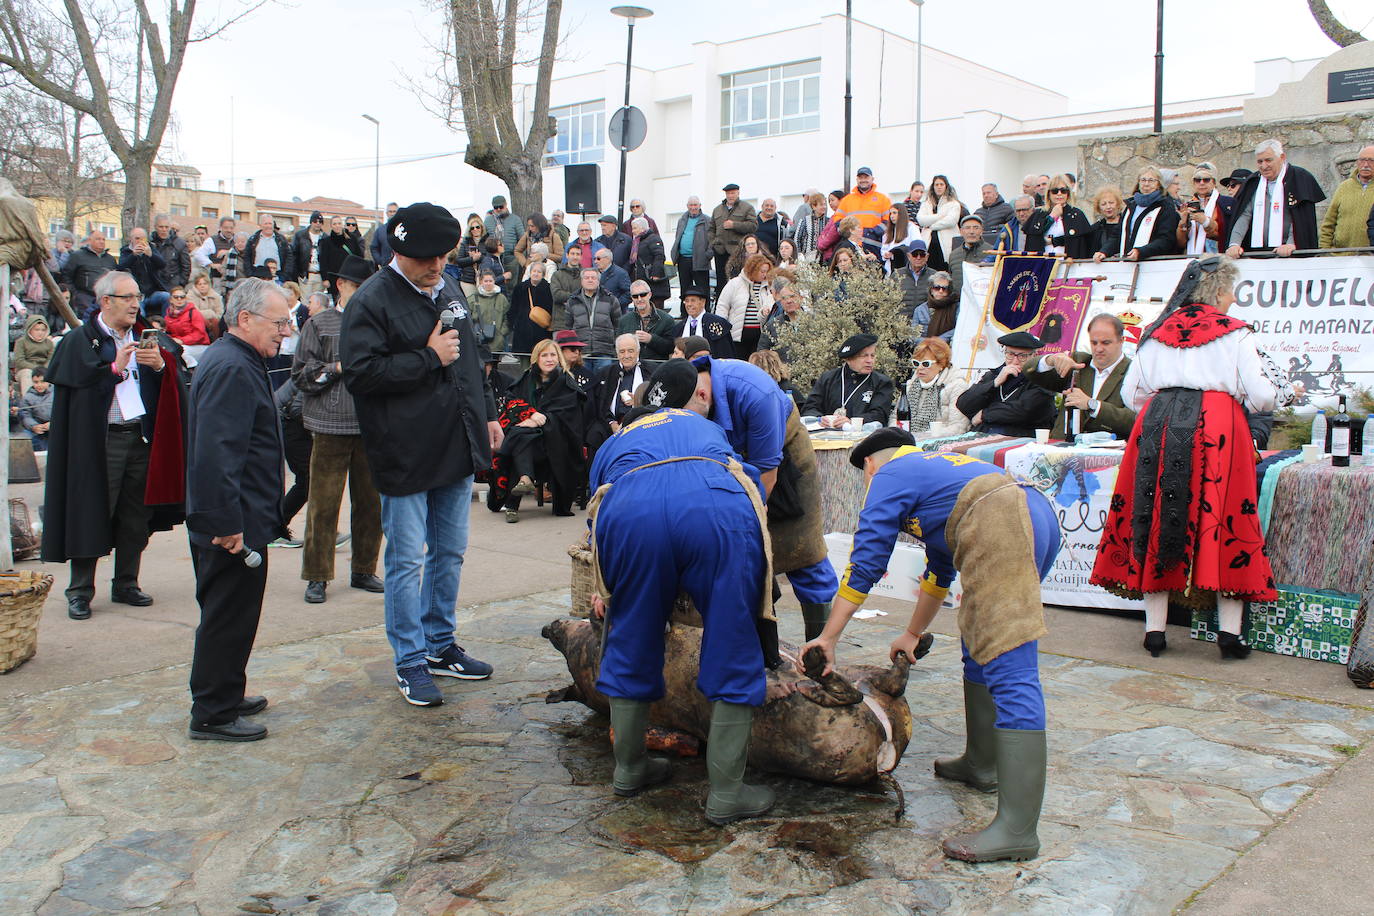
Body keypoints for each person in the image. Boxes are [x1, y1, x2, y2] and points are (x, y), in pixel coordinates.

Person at [801, 427, 1061, 863]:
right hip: (1030, 513)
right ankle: (981, 764)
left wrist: (829, 637)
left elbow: (866, 560)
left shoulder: (889, 474)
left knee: (1010, 663)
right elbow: (940, 569)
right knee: (981, 643)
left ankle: (1018, 828)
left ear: (869, 464)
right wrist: (911, 632)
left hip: (1000, 522)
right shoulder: (934, 472)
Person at [588, 367, 775, 824]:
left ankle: (630, 770)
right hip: (715, 505)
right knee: (732, 636)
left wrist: (609, 588)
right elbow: (747, 480)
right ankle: (726, 794)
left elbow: (595, 504)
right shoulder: (705, 426)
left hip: (630, 510)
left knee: (631, 633)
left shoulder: (620, 438)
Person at [1091, 257, 1300, 659]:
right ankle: (1230, 634)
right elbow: (1263, 397)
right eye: (1231, 291)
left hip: (1158, 425)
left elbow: (1132, 395)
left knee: (1155, 516)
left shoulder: (1155, 333)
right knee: (1224, 519)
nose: (1234, 299)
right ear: (1220, 293)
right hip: (1217, 429)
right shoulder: (1235, 333)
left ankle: (1155, 632)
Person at [340, 201, 500, 707]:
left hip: (454, 440)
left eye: (443, 257)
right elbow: (361, 375)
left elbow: (470, 358)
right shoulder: (371, 301)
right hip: (404, 449)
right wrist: (426, 358)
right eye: (426, 259)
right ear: (399, 251)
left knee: (449, 552)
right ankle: (409, 660)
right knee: (407, 560)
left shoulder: (447, 285)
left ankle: (439, 644)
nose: (436, 267)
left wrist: (489, 414)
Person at [42, 270, 188, 621]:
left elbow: (176, 382)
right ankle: (80, 590)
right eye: (128, 298)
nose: (136, 304)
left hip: (139, 438)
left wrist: (160, 368)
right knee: (91, 512)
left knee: (135, 517)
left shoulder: (146, 339)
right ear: (106, 301)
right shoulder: (80, 340)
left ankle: (126, 583)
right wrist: (113, 369)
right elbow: (77, 391)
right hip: (100, 442)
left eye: (138, 297)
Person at [185, 279, 293, 742]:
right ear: (245, 319)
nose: (286, 332)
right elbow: (217, 454)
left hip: (243, 518)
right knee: (227, 614)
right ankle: (213, 711)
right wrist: (226, 524)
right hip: (231, 525)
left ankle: (226, 690)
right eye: (279, 322)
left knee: (236, 612)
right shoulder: (232, 366)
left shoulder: (238, 360)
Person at [677, 355, 837, 644]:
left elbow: (767, 473)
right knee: (748, 560)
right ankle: (760, 647)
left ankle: (820, 647)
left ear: (703, 394)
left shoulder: (755, 392)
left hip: (783, 463)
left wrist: (749, 522)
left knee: (805, 556)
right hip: (733, 463)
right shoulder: (688, 387)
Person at [292, 254, 384, 605]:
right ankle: (317, 575)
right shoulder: (320, 323)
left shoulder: (378, 325)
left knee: (371, 504)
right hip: (329, 426)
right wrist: (338, 368)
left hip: (369, 424)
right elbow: (301, 374)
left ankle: (364, 569)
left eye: (366, 287)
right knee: (323, 505)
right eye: (357, 286)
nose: (362, 293)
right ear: (341, 285)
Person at [487, 338, 587, 522]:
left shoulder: (566, 383)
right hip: (530, 441)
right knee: (523, 438)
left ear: (559, 358)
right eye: (544, 355)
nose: (549, 359)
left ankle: (513, 504)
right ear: (536, 358)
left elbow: (570, 418)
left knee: (518, 437)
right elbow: (511, 402)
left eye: (553, 355)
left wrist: (544, 420)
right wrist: (531, 414)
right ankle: (525, 479)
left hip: (555, 442)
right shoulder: (526, 379)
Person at [1023, 314, 1136, 440]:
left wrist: (1092, 404)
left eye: (1106, 343)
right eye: (1094, 342)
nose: (1098, 349)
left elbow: (1135, 420)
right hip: (1062, 447)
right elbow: (1030, 371)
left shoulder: (1134, 372)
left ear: (1121, 341)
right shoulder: (1078, 362)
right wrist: (1051, 360)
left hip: (1107, 453)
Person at [955, 332, 1056, 437]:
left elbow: (1024, 411)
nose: (1015, 361)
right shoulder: (993, 375)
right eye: (1010, 354)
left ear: (1034, 355)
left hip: (1020, 439)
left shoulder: (1042, 379)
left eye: (1022, 356)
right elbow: (963, 404)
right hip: (982, 436)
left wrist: (985, 414)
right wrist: (994, 383)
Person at [802, 333, 895, 428]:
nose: (870, 360)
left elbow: (879, 415)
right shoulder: (828, 378)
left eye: (872, 356)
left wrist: (851, 422)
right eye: (864, 356)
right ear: (849, 359)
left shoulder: (882, 382)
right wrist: (820, 419)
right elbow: (810, 408)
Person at [588, 333, 649, 451]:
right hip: (611, 424)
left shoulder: (650, 371)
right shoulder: (605, 373)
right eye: (622, 352)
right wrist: (611, 423)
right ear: (617, 353)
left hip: (642, 423)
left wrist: (638, 401)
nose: (626, 355)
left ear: (638, 351)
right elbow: (600, 405)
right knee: (594, 435)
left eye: (630, 351)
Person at [902, 337, 971, 438]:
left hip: (941, 443)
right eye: (916, 363)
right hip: (908, 440)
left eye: (926, 364)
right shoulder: (911, 385)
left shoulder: (957, 386)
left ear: (941, 364)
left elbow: (959, 427)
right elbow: (895, 418)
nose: (919, 368)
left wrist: (925, 436)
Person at [714, 253, 774, 358]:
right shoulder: (734, 283)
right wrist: (723, 329)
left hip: (759, 336)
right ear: (753, 269)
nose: (765, 274)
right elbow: (722, 306)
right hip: (737, 336)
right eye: (762, 271)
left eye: (767, 272)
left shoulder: (768, 287)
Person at [1114, 167, 1181, 261]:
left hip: (1153, 264)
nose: (1146, 184)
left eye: (1151, 180)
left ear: (1158, 184)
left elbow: (1166, 239)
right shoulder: (1130, 206)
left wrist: (1141, 252)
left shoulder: (1165, 207)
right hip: (1127, 263)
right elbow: (1118, 235)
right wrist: (1104, 251)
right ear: (1138, 183)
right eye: (1143, 180)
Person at [564, 267, 622, 374]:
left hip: (604, 351)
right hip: (581, 352)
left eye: (593, 278)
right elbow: (568, 327)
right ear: (581, 281)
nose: (590, 280)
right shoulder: (572, 301)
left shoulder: (611, 299)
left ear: (598, 281)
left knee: (603, 385)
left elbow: (618, 325)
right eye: (586, 278)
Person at [1319, 145, 1374, 251]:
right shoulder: (1344, 187)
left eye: (1371, 161)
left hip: (1369, 257)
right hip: (1340, 256)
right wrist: (1324, 250)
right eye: (1362, 160)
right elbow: (1329, 223)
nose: (1365, 165)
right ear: (1357, 162)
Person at [709, 183, 758, 298]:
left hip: (738, 252)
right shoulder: (717, 210)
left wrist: (734, 225)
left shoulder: (747, 208)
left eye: (733, 193)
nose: (730, 195)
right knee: (721, 283)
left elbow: (753, 226)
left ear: (738, 193)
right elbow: (711, 229)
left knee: (738, 281)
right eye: (728, 193)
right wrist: (713, 243)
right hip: (720, 251)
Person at [1027, 176, 1093, 258]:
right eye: (1055, 191)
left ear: (1068, 193)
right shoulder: (1039, 214)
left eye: (1063, 191)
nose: (1059, 194)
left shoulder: (1077, 214)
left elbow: (1079, 241)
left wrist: (1053, 241)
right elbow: (1034, 238)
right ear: (1049, 193)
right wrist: (1051, 217)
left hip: (1068, 263)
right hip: (1044, 262)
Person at [1175, 163, 1235, 256]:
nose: (1201, 183)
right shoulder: (1186, 206)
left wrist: (1206, 221)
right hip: (1192, 259)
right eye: (1197, 180)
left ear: (1214, 182)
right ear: (1193, 183)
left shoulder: (1227, 203)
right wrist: (1182, 226)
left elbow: (1227, 233)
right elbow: (1181, 244)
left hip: (1218, 259)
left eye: (1206, 180)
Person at [617, 280, 676, 360]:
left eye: (643, 295)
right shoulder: (624, 321)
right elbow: (617, 346)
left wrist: (651, 339)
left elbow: (671, 347)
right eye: (635, 296)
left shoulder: (666, 319)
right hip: (631, 367)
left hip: (657, 368)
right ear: (632, 298)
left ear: (650, 295)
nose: (639, 299)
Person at [507, 259, 554, 359]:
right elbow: (513, 308)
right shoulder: (520, 288)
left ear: (543, 274)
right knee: (525, 363)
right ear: (530, 272)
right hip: (523, 331)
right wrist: (514, 324)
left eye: (539, 272)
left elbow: (551, 309)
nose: (536, 274)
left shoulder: (549, 289)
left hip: (542, 332)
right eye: (534, 271)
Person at [116, 228, 169, 316]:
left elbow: (162, 264)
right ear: (131, 239)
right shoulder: (126, 251)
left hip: (152, 292)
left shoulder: (151, 248)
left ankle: (166, 325)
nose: (140, 241)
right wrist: (133, 255)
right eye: (137, 238)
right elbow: (120, 267)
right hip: (136, 294)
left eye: (143, 239)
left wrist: (151, 255)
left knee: (167, 297)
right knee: (140, 314)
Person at [673, 287, 733, 360]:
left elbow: (724, 352)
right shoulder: (679, 327)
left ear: (703, 302)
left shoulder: (716, 323)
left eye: (693, 301)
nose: (689, 304)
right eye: (686, 301)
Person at [917, 175, 962, 271]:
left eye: (941, 184)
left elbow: (951, 221)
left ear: (946, 186)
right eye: (936, 184)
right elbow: (921, 220)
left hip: (945, 246)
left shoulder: (953, 204)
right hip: (929, 246)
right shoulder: (926, 204)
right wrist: (940, 216)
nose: (939, 187)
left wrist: (931, 226)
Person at [672, 197, 712, 300]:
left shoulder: (707, 220)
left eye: (695, 205)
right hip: (683, 259)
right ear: (687, 206)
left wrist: (707, 255)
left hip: (700, 260)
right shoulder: (682, 220)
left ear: (700, 206)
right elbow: (678, 237)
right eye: (691, 205)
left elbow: (713, 240)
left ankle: (705, 313)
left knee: (703, 290)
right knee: (684, 289)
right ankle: (684, 314)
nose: (693, 207)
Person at [834, 166, 894, 233]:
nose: (863, 180)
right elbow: (838, 219)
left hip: (874, 241)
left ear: (872, 179)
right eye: (860, 178)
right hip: (852, 240)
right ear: (857, 179)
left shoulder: (883, 199)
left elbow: (888, 220)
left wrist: (873, 232)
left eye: (866, 177)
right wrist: (848, 232)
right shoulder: (846, 200)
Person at [318, 217, 363, 299]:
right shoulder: (326, 241)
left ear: (342, 225)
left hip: (350, 277)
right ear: (331, 226)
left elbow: (359, 257)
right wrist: (325, 278)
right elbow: (323, 260)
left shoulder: (351, 239)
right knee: (337, 300)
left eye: (339, 223)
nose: (337, 226)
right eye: (334, 224)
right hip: (334, 278)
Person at [469, 269, 511, 355]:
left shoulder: (501, 298)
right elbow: (467, 318)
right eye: (486, 281)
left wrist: (502, 332)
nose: (488, 283)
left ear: (494, 281)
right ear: (481, 282)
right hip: (478, 340)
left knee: (494, 367)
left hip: (497, 341)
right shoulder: (473, 298)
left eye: (490, 281)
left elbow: (508, 317)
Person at [758, 280, 802, 359]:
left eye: (792, 296)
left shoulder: (814, 322)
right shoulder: (772, 326)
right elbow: (762, 354)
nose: (789, 301)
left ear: (800, 298)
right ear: (780, 302)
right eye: (784, 298)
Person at [244, 214, 295, 282]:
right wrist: (250, 275)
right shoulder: (253, 240)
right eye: (265, 223)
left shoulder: (281, 240)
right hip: (257, 276)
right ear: (260, 225)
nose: (268, 226)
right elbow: (247, 258)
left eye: (270, 223)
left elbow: (289, 258)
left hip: (277, 276)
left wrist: (284, 276)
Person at [945, 215, 988, 295]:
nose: (971, 231)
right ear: (961, 231)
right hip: (959, 303)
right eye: (967, 228)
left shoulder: (991, 252)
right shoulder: (953, 255)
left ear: (982, 231)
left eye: (976, 228)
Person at [12, 314, 54, 394]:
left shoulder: (49, 343)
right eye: (37, 330)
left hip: (45, 369)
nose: (40, 333)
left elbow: (51, 359)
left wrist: (43, 369)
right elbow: (19, 361)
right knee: (27, 374)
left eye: (43, 330)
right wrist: (36, 368)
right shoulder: (21, 342)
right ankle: (28, 400)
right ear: (30, 329)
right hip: (25, 369)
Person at [151, 214, 192, 294]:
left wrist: (180, 284)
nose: (164, 229)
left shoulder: (180, 243)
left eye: (166, 227)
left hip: (172, 286)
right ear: (155, 227)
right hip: (153, 286)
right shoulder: (150, 242)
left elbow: (186, 267)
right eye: (161, 227)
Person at [896, 239, 935, 322]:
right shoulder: (897, 274)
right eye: (914, 254)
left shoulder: (934, 276)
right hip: (901, 325)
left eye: (922, 254)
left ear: (927, 257)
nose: (918, 257)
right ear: (908, 256)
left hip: (925, 325)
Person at [914, 271, 958, 342]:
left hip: (947, 349)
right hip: (925, 349)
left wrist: (939, 340)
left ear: (948, 291)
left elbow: (958, 329)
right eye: (937, 288)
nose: (940, 291)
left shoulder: (955, 307)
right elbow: (913, 335)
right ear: (931, 290)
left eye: (944, 288)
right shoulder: (920, 310)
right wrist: (928, 343)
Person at [291, 211, 328, 294]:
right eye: (315, 221)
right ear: (311, 222)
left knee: (319, 302)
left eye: (320, 222)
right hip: (305, 275)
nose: (318, 224)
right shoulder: (300, 235)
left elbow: (328, 259)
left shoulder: (326, 238)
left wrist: (326, 277)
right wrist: (297, 274)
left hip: (320, 275)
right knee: (306, 303)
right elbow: (294, 255)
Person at [18, 367, 53, 451]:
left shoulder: (57, 394)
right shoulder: (27, 397)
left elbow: (62, 413)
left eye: (42, 381)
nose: (39, 385)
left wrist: (54, 423)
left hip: (55, 426)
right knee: (32, 438)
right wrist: (34, 426)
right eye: (36, 382)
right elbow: (25, 415)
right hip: (37, 428)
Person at [1089, 188, 1126, 262]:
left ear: (1118, 204)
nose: (1108, 207)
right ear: (1099, 208)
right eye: (1103, 204)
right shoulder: (1095, 228)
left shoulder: (1126, 223)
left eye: (1111, 203)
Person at [880, 204, 919, 274]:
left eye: (894, 213)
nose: (892, 216)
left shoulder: (911, 228)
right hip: (891, 268)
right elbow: (883, 250)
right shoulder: (888, 233)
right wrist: (886, 255)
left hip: (907, 266)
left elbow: (917, 246)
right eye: (890, 213)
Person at [791, 191, 829, 261]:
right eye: (821, 205)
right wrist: (800, 256)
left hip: (824, 259)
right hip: (807, 259)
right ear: (814, 206)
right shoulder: (804, 221)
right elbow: (797, 239)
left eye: (825, 204)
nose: (824, 207)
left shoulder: (828, 221)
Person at [187, 270, 224, 338]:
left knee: (215, 322)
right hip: (196, 322)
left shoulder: (216, 296)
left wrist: (212, 317)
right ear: (196, 286)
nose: (202, 286)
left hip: (214, 323)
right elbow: (195, 313)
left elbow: (220, 314)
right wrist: (211, 313)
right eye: (200, 284)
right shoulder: (190, 296)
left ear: (209, 285)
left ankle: (216, 340)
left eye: (205, 284)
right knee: (205, 321)